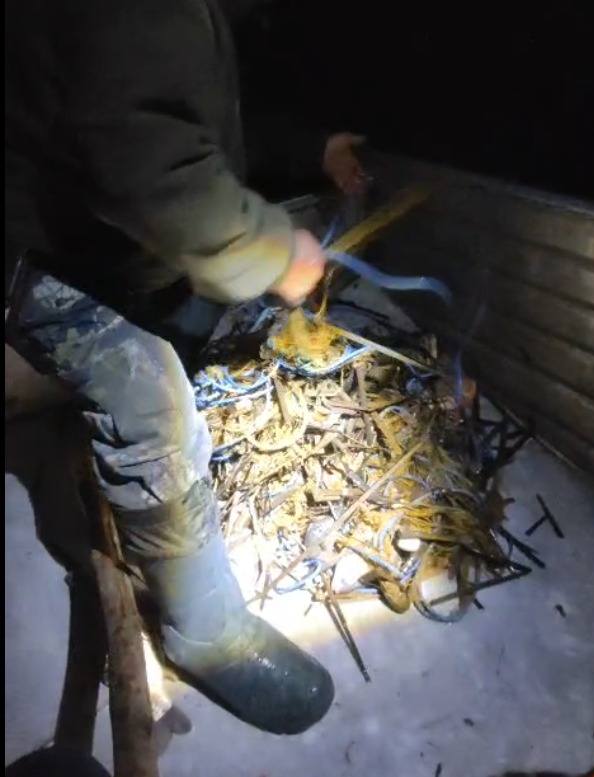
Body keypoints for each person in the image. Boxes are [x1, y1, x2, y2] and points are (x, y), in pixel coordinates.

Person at [5, 0, 367, 735]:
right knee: (153, 401)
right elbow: (150, 172)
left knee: (192, 302)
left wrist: (312, 147)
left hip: (76, 221)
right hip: (26, 250)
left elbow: (181, 108)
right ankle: (205, 635)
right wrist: (275, 252)